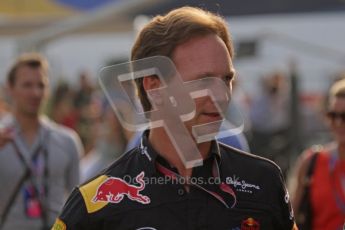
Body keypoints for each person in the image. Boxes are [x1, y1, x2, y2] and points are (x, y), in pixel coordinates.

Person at [53, 7, 297, 230]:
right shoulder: (94, 203)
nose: (221, 95)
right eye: (204, 81)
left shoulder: (264, 181)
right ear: (154, 87)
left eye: (227, 79)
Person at [0, 53, 83, 230]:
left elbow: (81, 204)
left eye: (41, 85)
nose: (35, 93)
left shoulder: (67, 140)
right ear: (10, 89)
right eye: (27, 85)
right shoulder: (2, 138)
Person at [292, 78, 345, 230]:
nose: (339, 123)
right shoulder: (311, 161)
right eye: (333, 115)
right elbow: (290, 219)